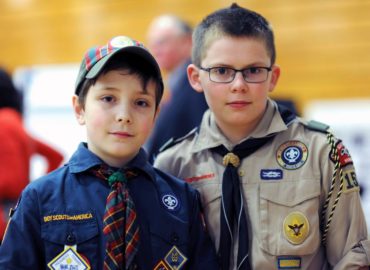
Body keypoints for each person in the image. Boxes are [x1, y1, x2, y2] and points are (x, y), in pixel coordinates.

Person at [154, 4, 370, 269]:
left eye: (253, 71)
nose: (238, 85)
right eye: (222, 71)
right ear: (196, 78)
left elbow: (353, 255)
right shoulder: (171, 166)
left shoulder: (321, 152)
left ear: (273, 78)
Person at [0, 36, 218, 269]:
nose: (124, 115)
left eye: (141, 103)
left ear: (156, 115)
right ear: (79, 109)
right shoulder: (39, 198)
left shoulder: (183, 199)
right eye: (108, 98)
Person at [0, 67, 64, 241]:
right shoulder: (13, 121)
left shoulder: (3, 122)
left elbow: (7, 181)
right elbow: (55, 156)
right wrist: (36, 190)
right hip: (18, 213)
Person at [145, 14, 208, 163]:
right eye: (152, 44)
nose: (155, 50)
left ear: (187, 42)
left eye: (161, 42)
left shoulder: (198, 82)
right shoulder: (175, 83)